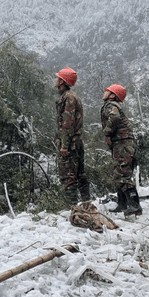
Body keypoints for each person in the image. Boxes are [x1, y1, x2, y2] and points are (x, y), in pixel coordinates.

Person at [100, 84, 141, 215]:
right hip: (122, 143)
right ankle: (122, 204)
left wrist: (106, 133)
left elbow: (114, 117)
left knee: (122, 174)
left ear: (113, 95)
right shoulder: (112, 104)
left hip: (123, 143)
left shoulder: (111, 105)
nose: (105, 93)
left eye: (108, 91)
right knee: (119, 173)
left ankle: (135, 206)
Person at [54, 67, 89, 205]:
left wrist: (64, 145)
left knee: (68, 177)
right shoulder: (71, 96)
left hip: (70, 143)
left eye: (57, 78)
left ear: (62, 81)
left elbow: (67, 123)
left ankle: (72, 208)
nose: (55, 80)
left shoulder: (68, 98)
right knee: (80, 174)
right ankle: (87, 203)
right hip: (76, 141)